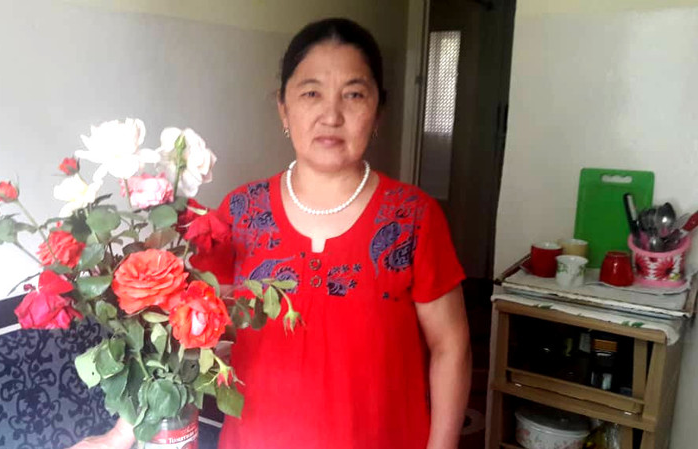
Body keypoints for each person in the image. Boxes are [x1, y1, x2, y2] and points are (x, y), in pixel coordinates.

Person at [70, 17, 471, 449]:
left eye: (354, 94)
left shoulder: (412, 218)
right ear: (284, 108)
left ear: (378, 111)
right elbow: (180, 331)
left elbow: (451, 346)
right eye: (311, 93)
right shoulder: (241, 213)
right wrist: (120, 435)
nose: (331, 115)